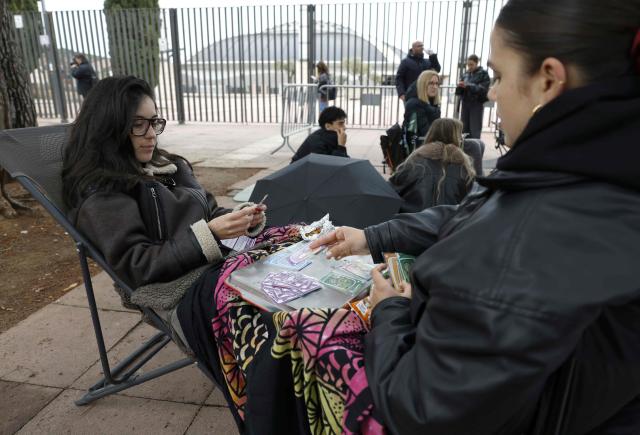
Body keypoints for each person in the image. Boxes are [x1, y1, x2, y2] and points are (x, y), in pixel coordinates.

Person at [306, 0, 640, 432]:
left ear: (549, 79)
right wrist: (370, 237)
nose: (492, 92)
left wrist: (389, 312)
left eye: (499, 75)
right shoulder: (580, 173)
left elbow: (418, 406)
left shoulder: (539, 231)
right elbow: (471, 214)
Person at [61, 75, 269, 378]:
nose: (151, 135)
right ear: (110, 127)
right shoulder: (103, 190)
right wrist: (209, 235)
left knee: (294, 247)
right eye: (137, 124)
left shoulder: (169, 166)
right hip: (177, 288)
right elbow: (137, 265)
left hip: (213, 263)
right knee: (283, 304)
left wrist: (242, 218)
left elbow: (210, 210)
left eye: (154, 122)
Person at [390, 118, 475, 213]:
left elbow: (390, 192)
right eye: (460, 136)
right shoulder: (463, 167)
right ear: (456, 138)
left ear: (431, 134)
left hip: (412, 222)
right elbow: (471, 203)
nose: (461, 139)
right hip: (450, 224)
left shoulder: (414, 162)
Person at [402, 70, 441, 153]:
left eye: (437, 84)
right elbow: (422, 134)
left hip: (430, 145)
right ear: (422, 85)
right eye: (431, 83)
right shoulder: (414, 104)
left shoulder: (433, 103)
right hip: (417, 151)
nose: (434, 87)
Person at [456, 54, 491, 138]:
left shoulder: (484, 74)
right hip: (465, 103)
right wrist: (460, 87)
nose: (469, 67)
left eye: (471, 64)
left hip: (476, 104)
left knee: (475, 128)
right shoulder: (466, 74)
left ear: (477, 63)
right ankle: (465, 147)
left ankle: (475, 148)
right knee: (464, 128)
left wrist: (468, 86)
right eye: (468, 65)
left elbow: (483, 89)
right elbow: (460, 90)